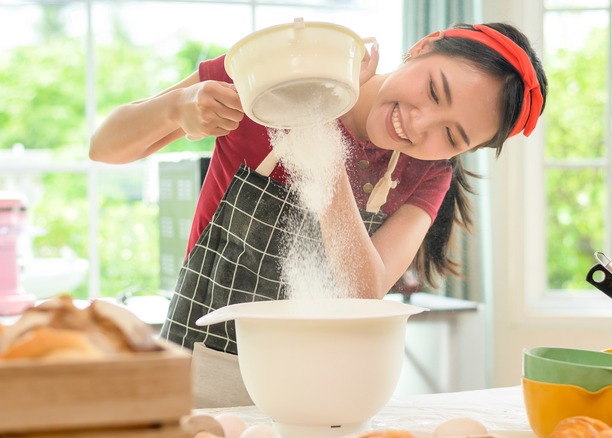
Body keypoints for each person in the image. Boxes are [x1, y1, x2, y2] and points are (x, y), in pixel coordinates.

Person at [89, 21, 548, 407]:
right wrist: (176, 108)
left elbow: (363, 291)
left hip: (322, 394)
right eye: (432, 89)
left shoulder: (427, 174)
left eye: (451, 136)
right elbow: (104, 146)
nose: (419, 123)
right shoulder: (277, 78)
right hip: (203, 377)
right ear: (421, 48)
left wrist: (314, 127)